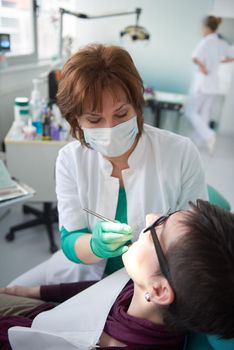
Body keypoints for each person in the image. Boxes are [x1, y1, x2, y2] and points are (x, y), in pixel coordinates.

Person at [8, 43, 207, 288]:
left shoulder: (179, 153)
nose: (110, 128)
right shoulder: (70, 159)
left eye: (121, 114)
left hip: (151, 283)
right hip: (82, 275)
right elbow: (70, 239)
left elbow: (196, 237)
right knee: (10, 295)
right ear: (75, 120)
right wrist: (94, 245)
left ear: (136, 105)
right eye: (94, 119)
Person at [1, 200, 234, 350]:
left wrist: (86, 336)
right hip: (51, 314)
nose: (151, 216)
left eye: (160, 227)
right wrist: (35, 292)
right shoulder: (147, 292)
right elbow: (98, 293)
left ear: (159, 290)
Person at [186, 16, 234, 154]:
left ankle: (208, 135)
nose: (201, 30)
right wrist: (219, 63)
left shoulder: (206, 41)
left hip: (203, 81)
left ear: (207, 27)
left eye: (202, 28)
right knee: (205, 113)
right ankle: (199, 143)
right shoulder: (222, 43)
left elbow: (194, 57)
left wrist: (203, 66)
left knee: (191, 112)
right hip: (214, 83)